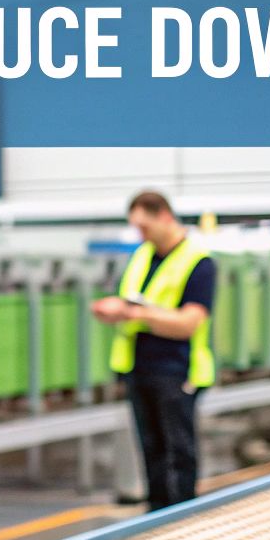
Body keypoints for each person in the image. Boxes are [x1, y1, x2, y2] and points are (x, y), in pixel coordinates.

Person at [92, 192, 218, 511]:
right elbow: (134, 300)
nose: (141, 235)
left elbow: (189, 322)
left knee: (179, 450)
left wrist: (135, 313)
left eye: (145, 227)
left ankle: (183, 520)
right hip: (139, 367)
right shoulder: (142, 257)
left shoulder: (199, 262)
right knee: (151, 450)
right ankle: (156, 519)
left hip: (177, 369)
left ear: (164, 216)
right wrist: (116, 309)